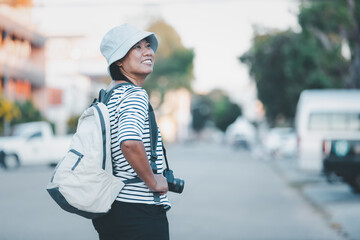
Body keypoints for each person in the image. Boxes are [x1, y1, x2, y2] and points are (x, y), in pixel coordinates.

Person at [92, 23, 171, 240]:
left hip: (112, 209)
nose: (148, 52)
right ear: (119, 60)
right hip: (139, 211)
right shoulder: (134, 94)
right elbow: (129, 142)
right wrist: (153, 181)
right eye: (137, 47)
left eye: (148, 45)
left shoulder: (107, 97)